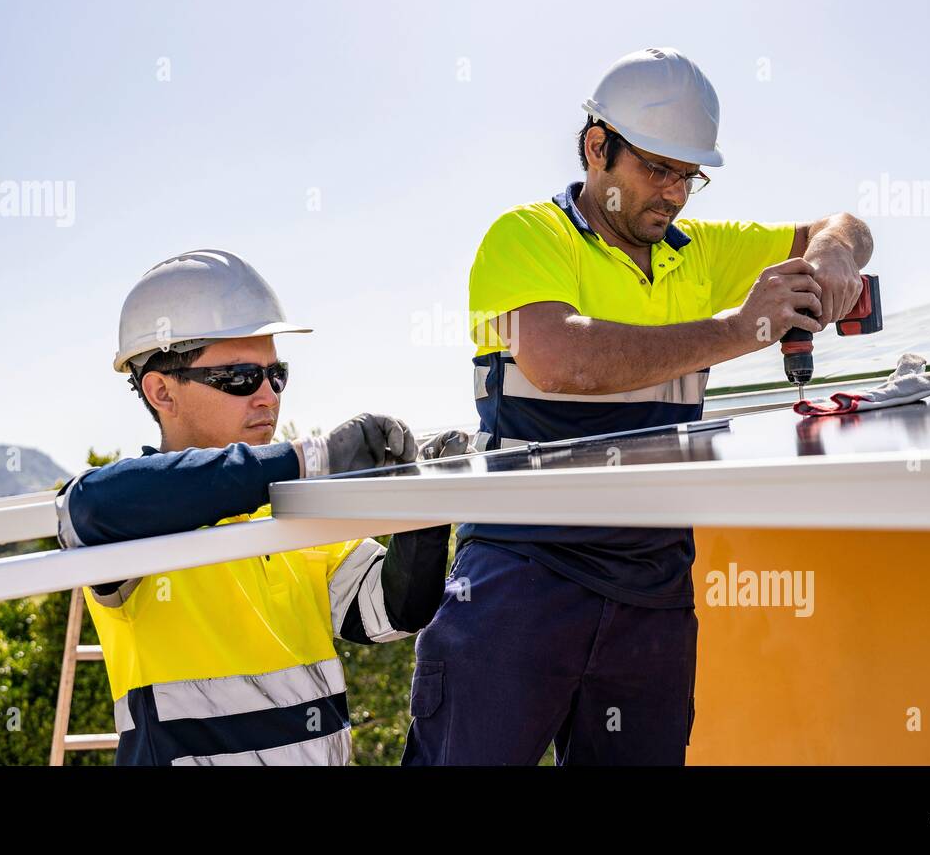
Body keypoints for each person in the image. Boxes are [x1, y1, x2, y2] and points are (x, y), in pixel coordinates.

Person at [403, 47, 874, 765]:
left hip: (651, 588)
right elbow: (561, 360)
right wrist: (738, 329)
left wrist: (836, 253)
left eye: (689, 176)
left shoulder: (698, 252)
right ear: (598, 148)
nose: (675, 195)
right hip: (523, 576)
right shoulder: (527, 238)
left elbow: (844, 225)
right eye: (657, 169)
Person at [55, 248, 459, 765]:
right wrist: (315, 457)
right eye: (241, 378)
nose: (268, 396)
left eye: (277, 374)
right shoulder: (133, 514)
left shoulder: (295, 509)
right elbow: (85, 510)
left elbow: (396, 612)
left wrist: (425, 505)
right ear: (161, 391)